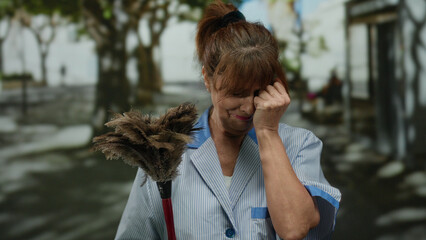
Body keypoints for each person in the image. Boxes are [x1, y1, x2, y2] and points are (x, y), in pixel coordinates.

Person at [115, 1, 341, 239]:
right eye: (236, 93)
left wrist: (267, 132)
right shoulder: (163, 152)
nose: (247, 107)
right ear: (207, 79)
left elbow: (295, 228)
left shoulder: (300, 145)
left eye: (257, 92)